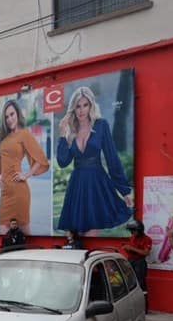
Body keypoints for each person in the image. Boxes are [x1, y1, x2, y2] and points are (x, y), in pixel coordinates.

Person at [56, 86, 132, 236]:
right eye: (78, 106)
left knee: (92, 232)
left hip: (96, 183)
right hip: (77, 185)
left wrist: (124, 190)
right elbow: (63, 162)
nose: (81, 110)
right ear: (73, 108)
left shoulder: (101, 125)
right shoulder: (71, 129)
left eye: (85, 105)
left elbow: (112, 158)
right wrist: (62, 136)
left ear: (91, 106)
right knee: (72, 235)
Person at [0, 100, 49, 234]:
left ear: (17, 114)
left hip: (19, 191)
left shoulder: (24, 134)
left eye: (12, 114)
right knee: (3, 231)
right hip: (5, 193)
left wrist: (26, 174)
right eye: (7, 116)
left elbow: (40, 158)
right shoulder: (3, 138)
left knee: (25, 233)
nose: (10, 119)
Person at [121, 219, 152, 312]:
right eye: (131, 231)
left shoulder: (147, 239)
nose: (132, 233)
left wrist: (131, 248)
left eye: (133, 230)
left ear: (139, 230)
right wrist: (126, 248)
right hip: (130, 261)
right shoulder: (132, 237)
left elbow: (145, 253)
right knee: (128, 283)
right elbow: (131, 250)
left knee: (141, 285)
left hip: (140, 263)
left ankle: (143, 308)